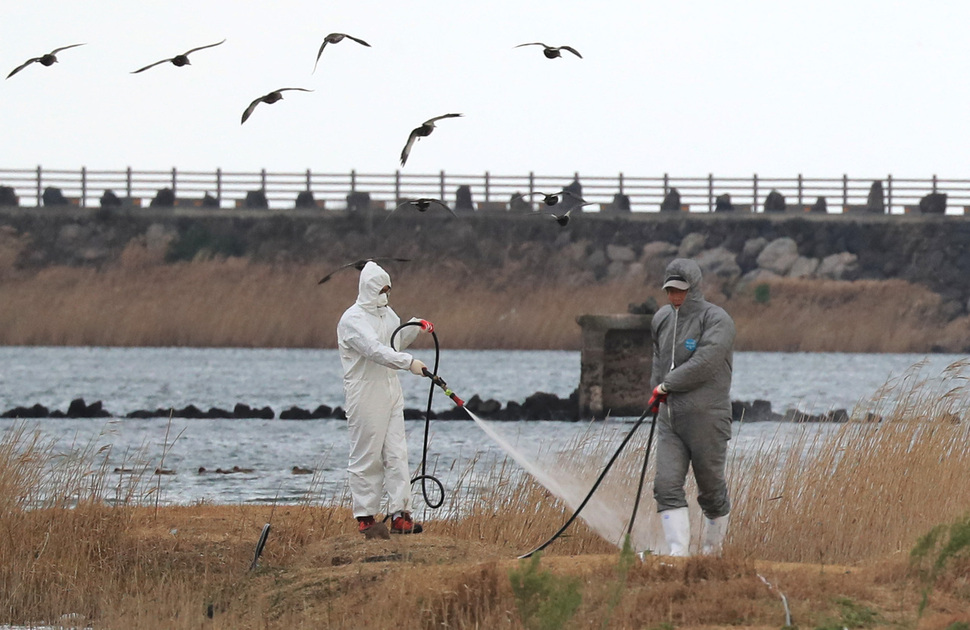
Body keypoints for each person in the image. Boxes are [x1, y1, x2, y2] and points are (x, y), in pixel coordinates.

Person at [336, 261, 434, 535]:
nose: (385, 295)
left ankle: (400, 514)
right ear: (368, 288)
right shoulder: (352, 320)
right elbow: (375, 351)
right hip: (364, 391)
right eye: (381, 289)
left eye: (388, 290)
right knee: (367, 454)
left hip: (391, 389)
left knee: (396, 452)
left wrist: (414, 326)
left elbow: (394, 345)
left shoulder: (388, 315)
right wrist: (409, 363)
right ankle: (365, 517)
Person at [648, 258, 735, 556]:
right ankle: (678, 555)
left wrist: (668, 385)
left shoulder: (717, 319)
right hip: (670, 419)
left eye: (680, 290)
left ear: (695, 288)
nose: (674, 296)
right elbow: (658, 362)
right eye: (670, 290)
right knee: (665, 485)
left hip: (708, 419)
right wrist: (656, 393)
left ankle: (712, 552)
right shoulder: (661, 319)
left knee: (710, 491)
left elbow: (705, 363)